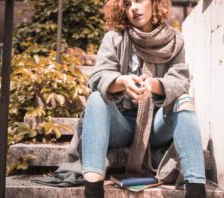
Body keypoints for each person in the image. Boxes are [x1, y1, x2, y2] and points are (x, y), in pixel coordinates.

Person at [82, 0, 206, 197]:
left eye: (139, 1)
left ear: (155, 3)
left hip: (155, 126)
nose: (134, 8)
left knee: (184, 99)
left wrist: (153, 85)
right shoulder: (114, 38)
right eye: (128, 3)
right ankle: (93, 191)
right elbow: (98, 77)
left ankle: (197, 190)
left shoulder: (174, 41)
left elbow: (180, 80)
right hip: (120, 124)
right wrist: (122, 81)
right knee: (97, 98)